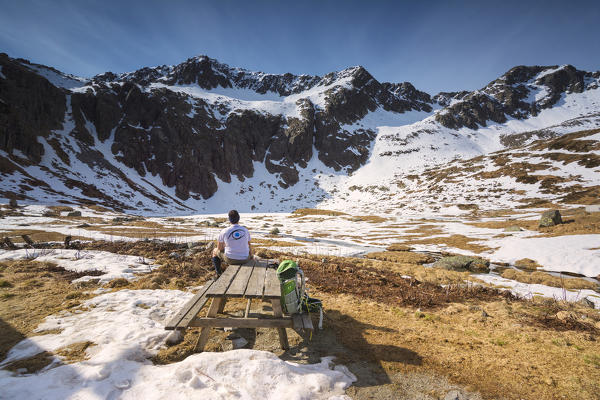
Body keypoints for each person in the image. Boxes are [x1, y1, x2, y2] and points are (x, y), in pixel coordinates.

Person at [211, 209, 253, 276]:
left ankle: (218, 273)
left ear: (229, 219)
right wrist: (251, 256)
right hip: (245, 259)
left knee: (215, 251)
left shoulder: (224, 231)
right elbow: (249, 244)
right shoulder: (245, 230)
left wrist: (226, 245)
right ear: (238, 218)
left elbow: (219, 248)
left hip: (230, 259)